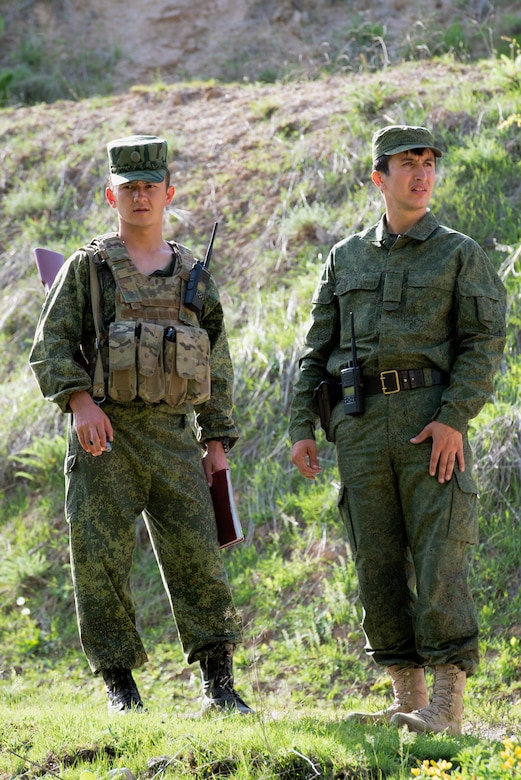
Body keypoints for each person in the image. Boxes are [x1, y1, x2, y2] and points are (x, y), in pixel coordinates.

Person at [289, 125, 506, 735]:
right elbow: (316, 348)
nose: (422, 173)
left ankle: (446, 708)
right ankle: (406, 698)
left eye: (430, 163)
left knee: (441, 559)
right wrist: (301, 424)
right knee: (375, 561)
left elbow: (484, 342)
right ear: (379, 178)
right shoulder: (345, 257)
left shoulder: (459, 253)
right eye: (408, 164)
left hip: (429, 426)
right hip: (357, 429)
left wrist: (453, 418)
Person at [29, 134, 253, 716]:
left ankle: (219, 685)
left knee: (199, 558)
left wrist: (217, 443)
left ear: (169, 192)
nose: (141, 198)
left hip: (176, 437)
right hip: (108, 438)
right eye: (129, 188)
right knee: (100, 560)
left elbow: (217, 363)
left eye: (150, 187)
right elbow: (49, 347)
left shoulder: (192, 274)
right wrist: (80, 404)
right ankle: (120, 688)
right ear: (111, 195)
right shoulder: (90, 268)